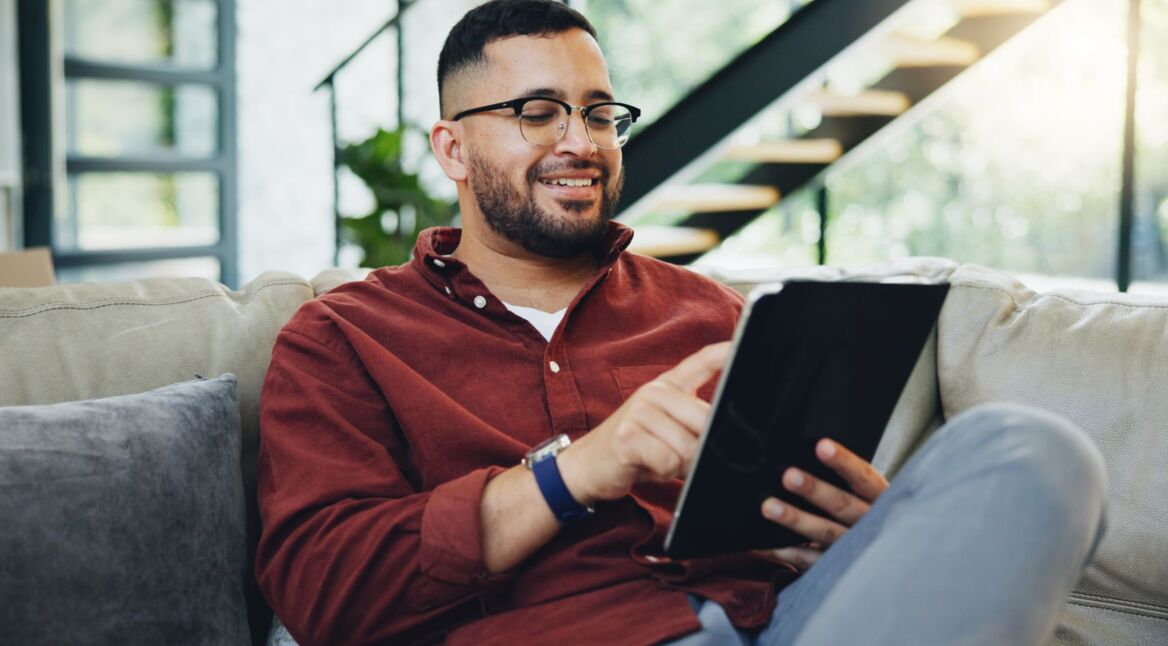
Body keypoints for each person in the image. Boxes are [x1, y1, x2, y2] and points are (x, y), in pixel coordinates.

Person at [255, 1, 1107, 644]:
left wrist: (858, 534)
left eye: (598, 112)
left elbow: (802, 521)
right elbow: (324, 591)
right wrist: (578, 472)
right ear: (451, 151)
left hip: (782, 621)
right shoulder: (342, 339)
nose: (580, 142)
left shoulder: (715, 313)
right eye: (538, 112)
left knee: (1035, 450)